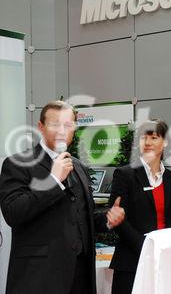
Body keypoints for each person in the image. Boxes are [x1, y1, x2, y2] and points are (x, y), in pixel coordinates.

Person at [0, 100, 125, 294]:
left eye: (67, 125)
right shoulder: (17, 164)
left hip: (81, 276)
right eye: (55, 124)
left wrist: (108, 219)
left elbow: (85, 216)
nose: (61, 131)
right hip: (39, 278)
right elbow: (13, 212)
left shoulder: (79, 167)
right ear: (40, 127)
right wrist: (53, 181)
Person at [108, 119, 171, 294]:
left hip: (166, 260)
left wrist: (170, 249)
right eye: (144, 138)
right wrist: (146, 246)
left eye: (154, 137)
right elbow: (118, 219)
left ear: (165, 142)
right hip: (132, 261)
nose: (148, 142)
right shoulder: (124, 174)